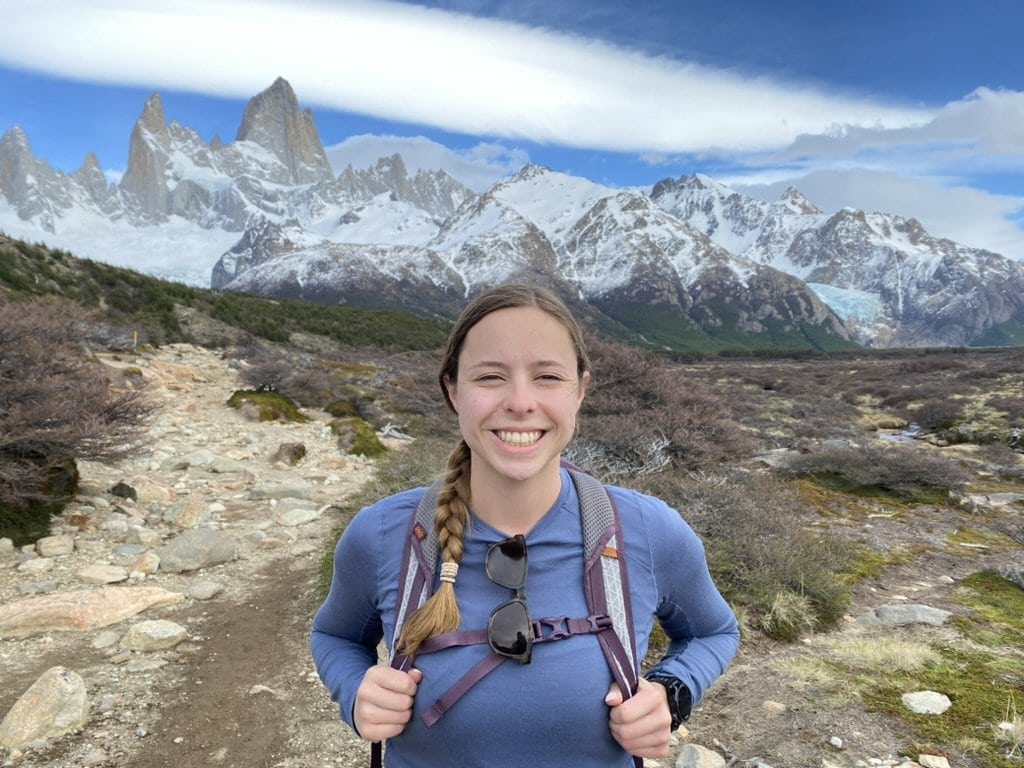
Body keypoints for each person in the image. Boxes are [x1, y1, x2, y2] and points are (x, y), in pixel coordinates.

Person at [310, 283, 739, 767]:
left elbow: (714, 632)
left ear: (581, 390)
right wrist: (356, 693)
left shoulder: (646, 531)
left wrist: (670, 692)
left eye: (548, 377)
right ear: (453, 390)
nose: (520, 401)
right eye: (490, 376)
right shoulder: (385, 534)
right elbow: (335, 637)